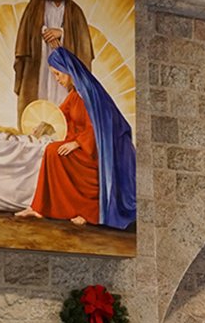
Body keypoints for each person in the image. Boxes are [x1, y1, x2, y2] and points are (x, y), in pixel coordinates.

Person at [15, 47, 136, 229]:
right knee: (51, 150)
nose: (57, 79)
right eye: (54, 75)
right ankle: (39, 207)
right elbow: (60, 116)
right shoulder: (74, 94)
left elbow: (100, 127)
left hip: (96, 152)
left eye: (58, 74)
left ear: (68, 70)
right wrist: (43, 126)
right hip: (82, 146)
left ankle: (88, 211)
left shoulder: (89, 93)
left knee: (54, 151)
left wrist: (77, 143)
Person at [14, 0, 94, 123]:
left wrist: (62, 33)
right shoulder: (35, 4)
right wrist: (43, 32)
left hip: (64, 69)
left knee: (62, 106)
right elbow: (24, 36)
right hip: (39, 65)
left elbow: (84, 46)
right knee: (39, 102)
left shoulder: (74, 11)